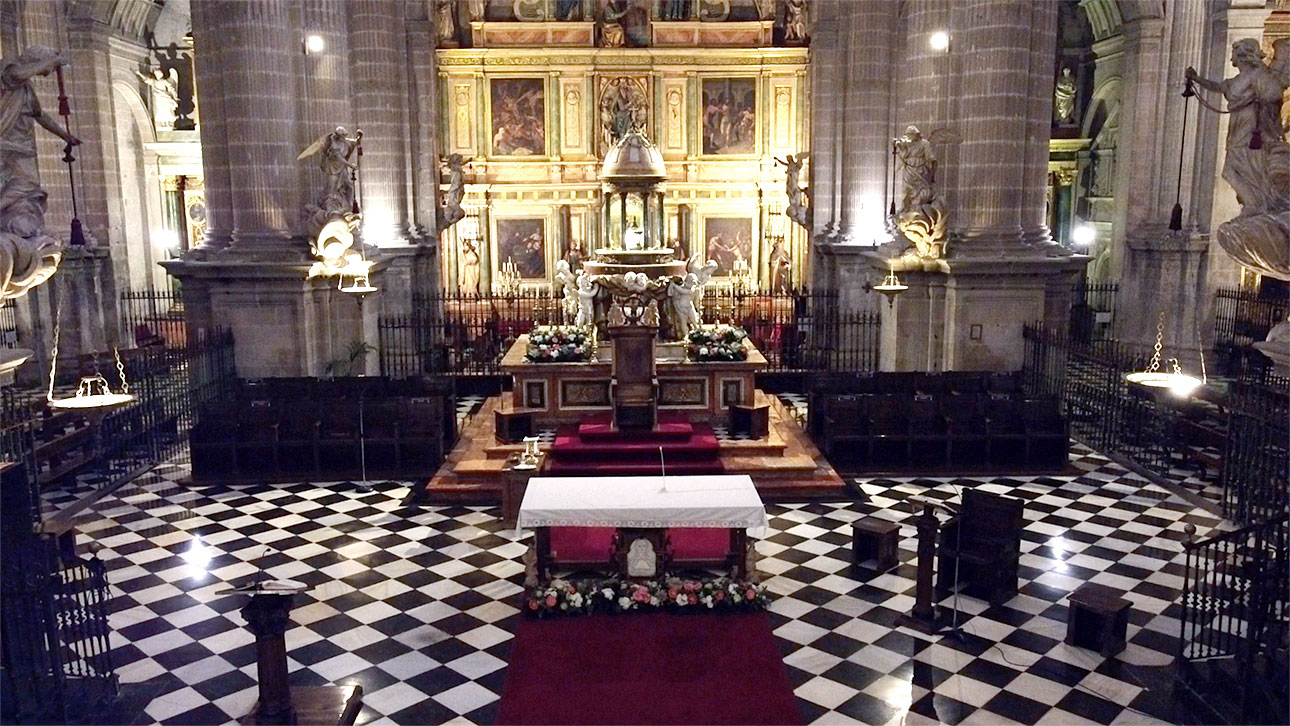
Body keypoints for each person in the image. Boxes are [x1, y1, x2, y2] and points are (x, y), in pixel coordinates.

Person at [1187, 39, 1288, 216]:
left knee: (1236, 168)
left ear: (1243, 55)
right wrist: (1196, 79)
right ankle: (1253, 204)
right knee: (1232, 169)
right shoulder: (1238, 79)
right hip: (1239, 126)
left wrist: (1256, 102)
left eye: (1234, 52)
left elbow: (1273, 93)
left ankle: (1254, 204)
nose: (1231, 56)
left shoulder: (1258, 74)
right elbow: (1219, 87)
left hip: (1252, 129)